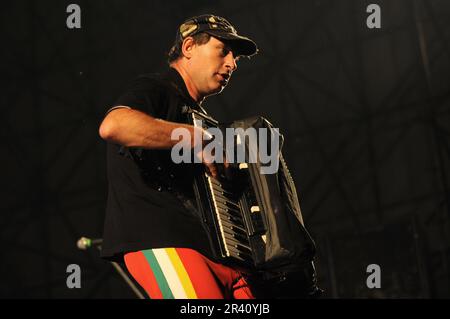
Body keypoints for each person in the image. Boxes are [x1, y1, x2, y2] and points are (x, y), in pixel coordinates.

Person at [98, 14, 262, 299]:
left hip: (219, 254)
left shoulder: (203, 119)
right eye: (223, 51)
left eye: (235, 58)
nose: (232, 64)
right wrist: (198, 138)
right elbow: (114, 125)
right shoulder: (157, 88)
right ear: (188, 48)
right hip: (164, 240)